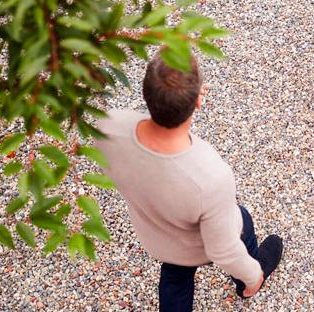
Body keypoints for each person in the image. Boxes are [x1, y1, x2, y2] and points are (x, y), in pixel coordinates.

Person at [95, 52, 283, 311]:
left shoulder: (107, 126)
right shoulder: (209, 176)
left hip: (156, 236)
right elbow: (224, 250)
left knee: (175, 278)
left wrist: (181, 97)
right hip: (194, 246)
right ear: (197, 103)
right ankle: (246, 282)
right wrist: (253, 277)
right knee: (243, 220)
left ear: (145, 92)